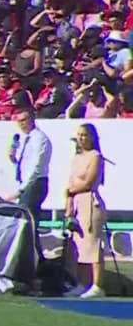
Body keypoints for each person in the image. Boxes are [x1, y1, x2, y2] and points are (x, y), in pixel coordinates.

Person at [65, 124, 107, 298]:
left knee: (93, 244)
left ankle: (97, 285)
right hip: (77, 202)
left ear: (92, 137)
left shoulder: (95, 156)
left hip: (90, 202)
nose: (81, 138)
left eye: (85, 135)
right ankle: (82, 284)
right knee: (80, 245)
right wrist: (68, 205)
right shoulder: (77, 157)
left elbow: (89, 182)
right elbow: (70, 182)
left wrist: (71, 190)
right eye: (79, 135)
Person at [6, 106, 52, 226]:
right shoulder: (25, 138)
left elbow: (36, 167)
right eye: (18, 121)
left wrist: (21, 190)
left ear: (32, 119)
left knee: (27, 220)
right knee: (25, 220)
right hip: (27, 182)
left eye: (24, 120)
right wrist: (13, 158)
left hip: (35, 183)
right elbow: (25, 164)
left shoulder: (40, 139)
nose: (21, 124)